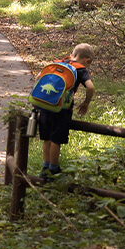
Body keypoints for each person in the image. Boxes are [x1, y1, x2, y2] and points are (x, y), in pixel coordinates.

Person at [37, 43, 95, 178]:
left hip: (46, 105)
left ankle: (45, 167)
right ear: (87, 60)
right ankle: (54, 169)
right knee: (56, 140)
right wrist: (86, 102)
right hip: (61, 110)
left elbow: (39, 77)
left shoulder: (57, 63)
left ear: (72, 54)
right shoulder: (80, 70)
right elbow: (90, 87)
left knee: (46, 138)